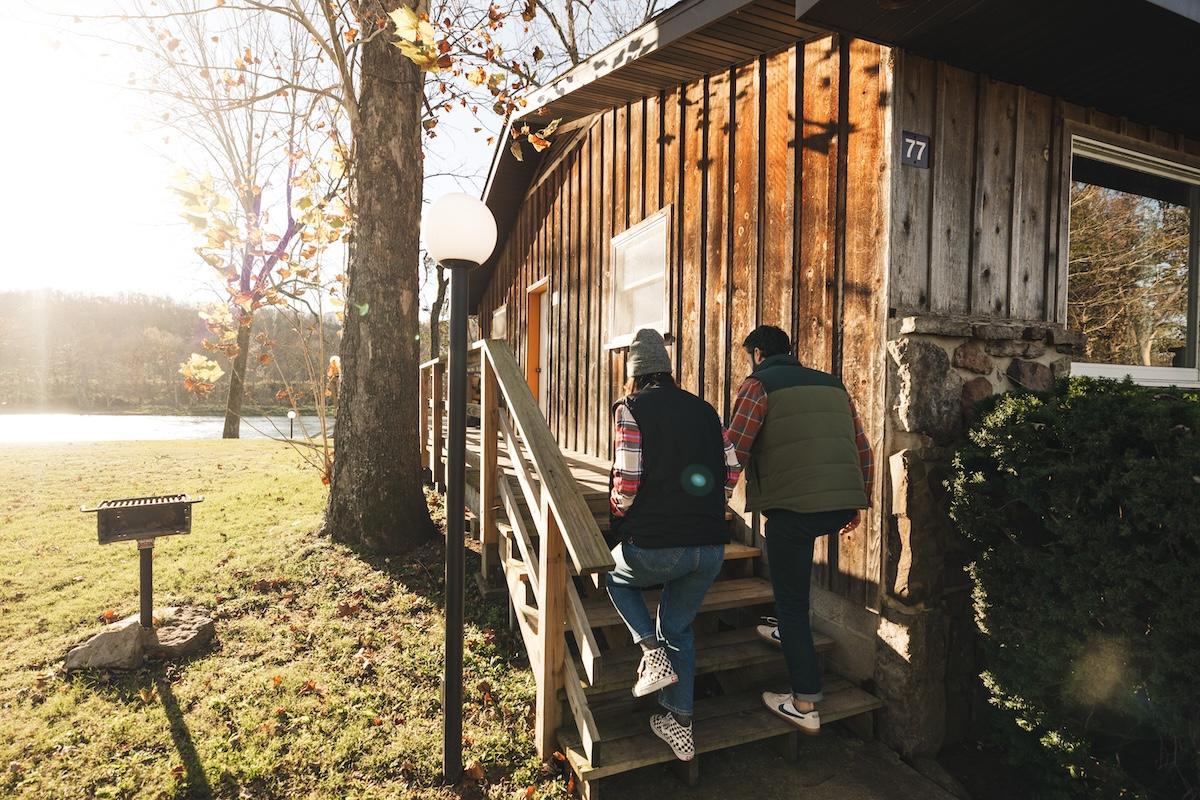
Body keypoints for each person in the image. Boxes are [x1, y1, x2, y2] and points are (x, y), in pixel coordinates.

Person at [726, 325, 872, 735]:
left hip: (794, 510)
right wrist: (861, 501)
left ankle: (805, 701)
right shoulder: (832, 384)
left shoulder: (758, 385)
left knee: (791, 601)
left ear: (757, 353)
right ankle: (786, 627)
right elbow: (862, 448)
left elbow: (734, 449)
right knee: (794, 578)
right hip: (838, 503)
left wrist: (712, 500)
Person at [606, 328, 741, 762]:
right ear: (667, 370)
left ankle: (649, 651)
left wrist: (618, 512)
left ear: (634, 375)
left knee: (609, 572)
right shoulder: (705, 410)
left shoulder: (630, 408)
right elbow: (732, 469)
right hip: (710, 548)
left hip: (659, 545)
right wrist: (710, 506)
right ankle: (679, 726)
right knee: (678, 628)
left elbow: (626, 481)